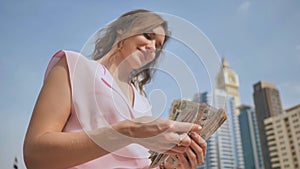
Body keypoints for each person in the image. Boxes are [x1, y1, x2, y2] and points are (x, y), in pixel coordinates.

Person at [23, 9, 207, 169]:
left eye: (158, 46)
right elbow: (35, 155)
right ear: (123, 29)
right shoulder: (74, 66)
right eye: (148, 36)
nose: (152, 47)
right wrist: (129, 131)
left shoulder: (143, 102)